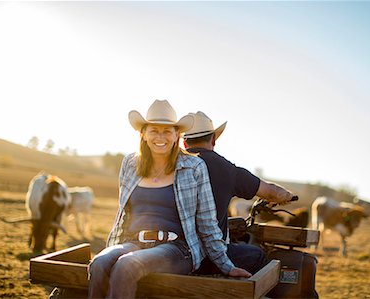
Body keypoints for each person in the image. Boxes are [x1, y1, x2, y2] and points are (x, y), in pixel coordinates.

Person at [88, 100, 251, 299]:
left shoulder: (194, 167)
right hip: (134, 242)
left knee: (127, 265)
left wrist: (226, 265)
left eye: (167, 131)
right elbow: (124, 214)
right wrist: (113, 247)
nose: (160, 137)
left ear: (176, 136)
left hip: (176, 249)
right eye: (154, 130)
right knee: (99, 263)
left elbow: (207, 223)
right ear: (143, 134)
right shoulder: (130, 164)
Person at [183, 111, 297, 275]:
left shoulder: (173, 164)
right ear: (213, 139)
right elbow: (271, 192)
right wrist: (288, 196)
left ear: (185, 143)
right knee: (257, 255)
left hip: (176, 253)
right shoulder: (227, 169)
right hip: (207, 257)